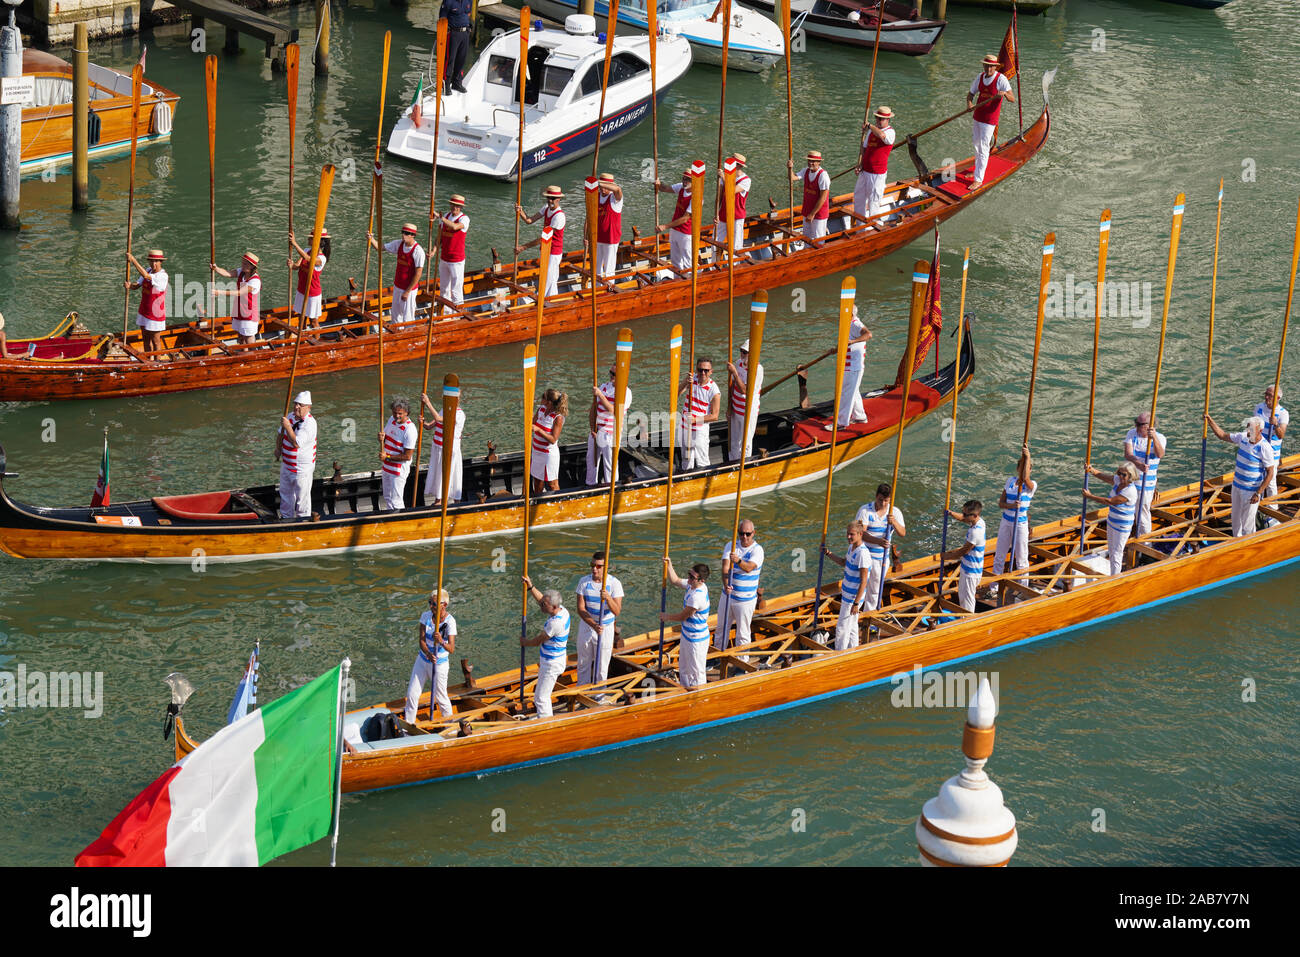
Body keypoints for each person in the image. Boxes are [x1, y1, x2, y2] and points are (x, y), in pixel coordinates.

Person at [1206, 413, 1277, 537]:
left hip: (1251, 491)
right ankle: (1236, 541)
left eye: (1250, 428)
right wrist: (1210, 421)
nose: (1247, 430)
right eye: (1247, 427)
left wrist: (1258, 493)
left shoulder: (1264, 447)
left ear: (1259, 430)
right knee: (1235, 519)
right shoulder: (1243, 437)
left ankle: (1248, 545)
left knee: (1247, 524)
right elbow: (1222, 435)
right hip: (1237, 486)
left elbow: (1270, 473)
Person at [520, 577, 570, 718]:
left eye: (544, 605)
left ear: (553, 607)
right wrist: (531, 587)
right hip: (554, 660)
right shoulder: (562, 610)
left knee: (541, 698)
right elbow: (542, 599)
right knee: (541, 695)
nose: (541, 606)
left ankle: (546, 722)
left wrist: (525, 642)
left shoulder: (555, 623)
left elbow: (538, 641)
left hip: (552, 663)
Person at [404, 589, 456, 724]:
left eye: (434, 604)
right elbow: (421, 640)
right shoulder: (425, 616)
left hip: (439, 664)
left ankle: (450, 726)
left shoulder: (450, 622)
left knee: (441, 697)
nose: (431, 606)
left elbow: (451, 649)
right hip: (422, 660)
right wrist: (428, 653)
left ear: (444, 605)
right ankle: (408, 727)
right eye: (430, 603)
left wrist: (441, 641)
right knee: (412, 694)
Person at [989, 446, 1034, 597]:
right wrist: (1011, 505)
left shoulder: (1031, 486)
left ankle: (1023, 589)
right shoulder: (1009, 481)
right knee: (999, 555)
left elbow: (1026, 478)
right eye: (1021, 467)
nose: (1023, 470)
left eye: (1026, 468)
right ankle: (994, 587)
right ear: (1017, 468)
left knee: (1021, 557)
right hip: (1006, 521)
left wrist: (1027, 457)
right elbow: (1001, 503)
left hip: (1020, 524)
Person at [966, 53, 1015, 190]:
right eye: (986, 66)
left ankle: (978, 179)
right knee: (976, 144)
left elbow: (1012, 98)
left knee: (983, 147)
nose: (988, 69)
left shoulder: (1001, 79)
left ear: (995, 67)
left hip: (989, 120)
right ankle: (977, 170)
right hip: (977, 116)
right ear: (983, 65)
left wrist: (1004, 94)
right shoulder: (980, 77)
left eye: (991, 67)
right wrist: (969, 104)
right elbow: (970, 94)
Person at [575, 550, 623, 686]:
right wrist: (593, 624)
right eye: (592, 565)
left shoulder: (615, 584)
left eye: (598, 566)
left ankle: (599, 695)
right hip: (587, 626)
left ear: (606, 567)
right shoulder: (583, 582)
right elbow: (581, 609)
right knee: (583, 662)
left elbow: (617, 611)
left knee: (601, 665)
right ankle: (582, 690)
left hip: (605, 627)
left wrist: (608, 598)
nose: (594, 569)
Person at [854, 483, 905, 611]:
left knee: (874, 591)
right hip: (864, 555)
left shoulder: (895, 512)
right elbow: (860, 533)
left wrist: (893, 522)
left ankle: (869, 621)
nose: (882, 504)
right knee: (858, 587)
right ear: (876, 497)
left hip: (880, 559)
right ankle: (854, 613)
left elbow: (902, 533)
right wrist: (878, 541)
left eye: (886, 501)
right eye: (880, 500)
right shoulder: (865, 510)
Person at [660, 559, 710, 688]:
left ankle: (699, 695)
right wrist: (669, 564)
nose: (688, 578)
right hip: (687, 634)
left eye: (692, 577)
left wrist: (667, 617)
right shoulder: (691, 585)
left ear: (701, 580)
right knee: (683, 666)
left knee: (696, 671)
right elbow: (675, 580)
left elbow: (683, 616)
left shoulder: (697, 596)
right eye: (689, 574)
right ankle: (684, 690)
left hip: (697, 639)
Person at [822, 520, 871, 650]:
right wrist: (828, 553)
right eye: (847, 534)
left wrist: (856, 603)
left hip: (852, 597)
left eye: (852, 534)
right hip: (847, 594)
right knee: (853, 625)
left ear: (860, 534)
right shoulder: (852, 547)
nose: (848, 537)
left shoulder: (862, 554)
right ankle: (853, 648)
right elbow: (844, 562)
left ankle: (840, 653)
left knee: (842, 627)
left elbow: (864, 580)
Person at [717, 519, 763, 657]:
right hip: (728, 596)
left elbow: (748, 568)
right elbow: (725, 568)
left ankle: (742, 661)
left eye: (748, 534)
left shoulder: (757, 550)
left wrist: (737, 560)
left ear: (753, 533)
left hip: (745, 600)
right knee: (721, 628)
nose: (744, 537)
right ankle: (718, 656)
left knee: (742, 632)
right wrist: (726, 586)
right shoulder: (731, 545)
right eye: (741, 533)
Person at [1083, 462, 1139, 575]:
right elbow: (1104, 477)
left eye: (1123, 475)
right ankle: (1113, 574)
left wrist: (1090, 496)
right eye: (1119, 473)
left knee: (1116, 553)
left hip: (1122, 526)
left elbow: (1110, 501)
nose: (1120, 476)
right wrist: (1092, 470)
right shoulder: (1118, 481)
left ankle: (1114, 578)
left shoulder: (1130, 491)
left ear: (1131, 476)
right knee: (1111, 550)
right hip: (1112, 521)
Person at [367, 222, 426, 323]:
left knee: (408, 318)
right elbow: (380, 248)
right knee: (395, 316)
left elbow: (418, 274)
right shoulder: (399, 244)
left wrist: (407, 291)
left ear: (413, 236)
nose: (404, 235)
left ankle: (407, 336)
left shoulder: (418, 251)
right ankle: (397, 335)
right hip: (397, 286)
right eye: (403, 232)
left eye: (407, 233)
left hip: (409, 290)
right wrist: (371, 239)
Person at [515, 185, 565, 298]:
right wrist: (520, 212)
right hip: (545, 250)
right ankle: (549, 299)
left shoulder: (559, 217)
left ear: (559, 199)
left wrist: (523, 247)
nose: (550, 200)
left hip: (554, 252)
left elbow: (544, 239)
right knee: (548, 278)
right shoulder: (546, 208)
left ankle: (546, 300)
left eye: (552, 198)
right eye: (548, 198)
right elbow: (529, 220)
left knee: (549, 279)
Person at [1124, 411, 1167, 536]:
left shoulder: (1160, 438)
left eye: (1139, 424)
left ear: (1149, 426)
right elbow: (1128, 454)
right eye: (1136, 423)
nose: (1136, 426)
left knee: (1142, 511)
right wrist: (1138, 464)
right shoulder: (1132, 433)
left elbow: (1160, 454)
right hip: (1130, 478)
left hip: (1146, 481)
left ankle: (1146, 542)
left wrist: (1153, 438)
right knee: (1127, 507)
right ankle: (1130, 534)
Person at [586, 365, 631, 486]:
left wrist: (600, 395)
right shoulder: (604, 386)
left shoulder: (626, 392)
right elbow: (593, 408)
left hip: (611, 433)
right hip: (597, 431)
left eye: (614, 374)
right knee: (591, 461)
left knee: (609, 465)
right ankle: (590, 485)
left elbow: (614, 410)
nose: (611, 375)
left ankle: (611, 488)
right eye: (610, 372)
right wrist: (592, 429)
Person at [276, 390, 317, 519]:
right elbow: (280, 433)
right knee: (285, 494)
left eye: (300, 405)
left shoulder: (310, 424)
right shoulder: (290, 416)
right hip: (287, 464)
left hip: (301, 469)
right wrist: (278, 449)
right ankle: (286, 518)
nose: (296, 407)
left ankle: (303, 520)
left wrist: (288, 426)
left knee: (302, 499)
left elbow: (296, 443)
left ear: (308, 407)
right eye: (296, 404)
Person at [941, 500, 985, 612]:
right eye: (963, 512)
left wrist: (945, 557)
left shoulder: (976, 532)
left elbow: (963, 552)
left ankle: (967, 621)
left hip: (971, 572)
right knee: (963, 597)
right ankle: (963, 618)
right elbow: (963, 518)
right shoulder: (979, 521)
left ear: (974, 515)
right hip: (967, 569)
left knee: (967, 601)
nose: (963, 516)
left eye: (966, 514)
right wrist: (951, 513)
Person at [421, 390, 465, 503]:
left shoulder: (459, 414)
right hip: (437, 448)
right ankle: (438, 500)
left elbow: (439, 419)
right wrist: (423, 422)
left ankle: (453, 501)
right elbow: (429, 426)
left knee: (451, 475)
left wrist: (428, 403)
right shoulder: (443, 410)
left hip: (449, 450)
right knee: (438, 473)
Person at [854, 105, 896, 224]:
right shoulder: (871, 132)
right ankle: (860, 225)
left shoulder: (890, 132)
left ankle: (873, 226)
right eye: (877, 118)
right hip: (865, 170)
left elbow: (882, 136)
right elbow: (864, 149)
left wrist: (870, 126)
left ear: (888, 120)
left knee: (874, 200)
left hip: (877, 174)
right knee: (858, 197)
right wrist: (860, 165)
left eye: (881, 119)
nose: (878, 120)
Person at [654, 167, 699, 273]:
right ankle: (677, 280)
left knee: (688, 262)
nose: (684, 181)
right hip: (675, 231)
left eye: (687, 179)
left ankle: (690, 282)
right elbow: (665, 189)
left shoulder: (696, 197)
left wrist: (665, 226)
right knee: (675, 261)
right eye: (683, 179)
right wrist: (658, 184)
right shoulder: (681, 187)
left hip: (686, 233)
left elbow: (685, 218)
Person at [679, 356, 721, 469]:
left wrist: (695, 420)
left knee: (702, 461)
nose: (702, 373)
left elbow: (714, 416)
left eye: (706, 370)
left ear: (711, 372)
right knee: (686, 460)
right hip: (685, 427)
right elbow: (675, 394)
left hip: (700, 431)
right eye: (700, 370)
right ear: (696, 369)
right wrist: (684, 382)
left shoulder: (714, 390)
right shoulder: (692, 380)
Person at [124, 248, 168, 355]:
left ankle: (157, 363)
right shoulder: (148, 270)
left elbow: (146, 276)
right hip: (144, 310)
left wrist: (133, 260)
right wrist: (130, 286)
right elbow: (137, 285)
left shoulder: (162, 276)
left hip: (155, 314)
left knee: (156, 341)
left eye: (156, 261)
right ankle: (148, 359)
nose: (154, 264)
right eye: (152, 261)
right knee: (146, 339)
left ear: (160, 262)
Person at [211, 252, 262, 344]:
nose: (242, 265)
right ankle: (243, 355)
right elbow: (228, 273)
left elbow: (239, 293)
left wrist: (220, 292)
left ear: (251, 266)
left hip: (249, 314)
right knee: (241, 337)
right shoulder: (241, 272)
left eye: (245, 264)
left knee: (248, 338)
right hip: (239, 310)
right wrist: (216, 268)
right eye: (242, 262)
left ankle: (252, 355)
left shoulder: (255, 281)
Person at [726, 339, 764, 461]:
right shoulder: (738, 363)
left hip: (748, 412)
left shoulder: (758, 369)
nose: (742, 354)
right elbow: (732, 385)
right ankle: (733, 462)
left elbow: (745, 390)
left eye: (745, 352)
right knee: (734, 440)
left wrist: (735, 373)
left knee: (745, 443)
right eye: (741, 351)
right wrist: (729, 407)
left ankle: (744, 464)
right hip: (736, 408)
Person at [380, 397, 418, 511]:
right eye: (395, 413)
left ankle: (399, 519)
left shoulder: (409, 429)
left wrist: (387, 457)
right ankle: (390, 517)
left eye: (400, 414)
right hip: (387, 466)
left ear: (407, 413)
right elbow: (386, 438)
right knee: (387, 497)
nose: (397, 416)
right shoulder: (391, 419)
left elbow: (407, 456)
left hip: (398, 470)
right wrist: (381, 438)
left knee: (396, 499)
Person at [1253, 384, 1288, 500]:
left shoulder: (1283, 413)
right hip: (1257, 449)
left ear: (1278, 398)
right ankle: (1258, 501)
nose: (1266, 397)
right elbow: (1253, 430)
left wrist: (1276, 424)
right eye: (1266, 394)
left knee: (1271, 480)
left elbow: (1281, 435)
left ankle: (1273, 510)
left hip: (1272, 452)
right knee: (1256, 477)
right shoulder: (1258, 408)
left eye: (1270, 395)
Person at [839, 305, 872, 426]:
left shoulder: (855, 324)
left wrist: (851, 341)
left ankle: (841, 423)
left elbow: (868, 335)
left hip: (853, 367)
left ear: (850, 314)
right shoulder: (849, 324)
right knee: (853, 391)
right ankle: (860, 416)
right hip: (850, 366)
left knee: (846, 394)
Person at [289, 228, 329, 328]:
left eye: (311, 238)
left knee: (313, 321)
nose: (308, 239)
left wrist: (294, 243)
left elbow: (309, 259)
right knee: (301, 319)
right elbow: (297, 266)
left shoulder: (322, 258)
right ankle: (302, 340)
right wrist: (291, 265)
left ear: (317, 241)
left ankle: (317, 342)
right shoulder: (307, 250)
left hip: (312, 292)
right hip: (301, 289)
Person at [790, 150, 831, 246]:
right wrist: (790, 168)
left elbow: (823, 198)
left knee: (818, 240)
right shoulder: (806, 171)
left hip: (818, 214)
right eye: (809, 160)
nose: (810, 163)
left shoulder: (823, 176)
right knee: (806, 238)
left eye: (813, 161)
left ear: (819, 162)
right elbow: (792, 177)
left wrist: (812, 214)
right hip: (806, 211)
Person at [713, 153, 750, 258]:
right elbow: (719, 197)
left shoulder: (746, 180)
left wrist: (724, 177)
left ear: (738, 166)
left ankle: (734, 267)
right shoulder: (724, 177)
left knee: (735, 247)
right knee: (714, 243)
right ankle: (714, 266)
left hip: (736, 217)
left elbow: (732, 190)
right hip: (723, 215)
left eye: (732, 163)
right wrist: (716, 214)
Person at [531, 388, 568, 493]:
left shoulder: (558, 418)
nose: (540, 398)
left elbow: (553, 439)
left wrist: (539, 430)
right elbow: (532, 424)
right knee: (537, 482)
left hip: (548, 455)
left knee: (552, 484)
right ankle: (538, 503)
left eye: (543, 397)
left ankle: (558, 504)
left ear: (549, 402)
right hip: (536, 451)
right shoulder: (541, 409)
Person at [438, 195, 470, 312]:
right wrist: (433, 251)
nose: (455, 208)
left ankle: (458, 314)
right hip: (444, 258)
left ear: (461, 207)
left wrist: (442, 219)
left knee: (456, 289)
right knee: (444, 288)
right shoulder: (445, 216)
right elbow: (439, 237)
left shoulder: (464, 219)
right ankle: (446, 314)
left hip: (456, 260)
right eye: (453, 205)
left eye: (457, 206)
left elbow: (455, 227)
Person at [594, 173, 623, 278]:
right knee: (596, 268)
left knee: (608, 269)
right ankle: (597, 288)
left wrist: (600, 183)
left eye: (605, 187)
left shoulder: (615, 198)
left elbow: (618, 190)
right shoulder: (595, 197)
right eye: (601, 187)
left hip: (611, 239)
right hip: (597, 238)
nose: (602, 189)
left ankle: (609, 288)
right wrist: (586, 236)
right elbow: (589, 217)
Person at [440, 0, 473, 94]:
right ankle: (446, 84)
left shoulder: (468, 1)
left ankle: (457, 83)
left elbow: (468, 13)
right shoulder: (448, 2)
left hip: (465, 33)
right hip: (452, 34)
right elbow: (442, 18)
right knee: (450, 60)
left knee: (461, 59)